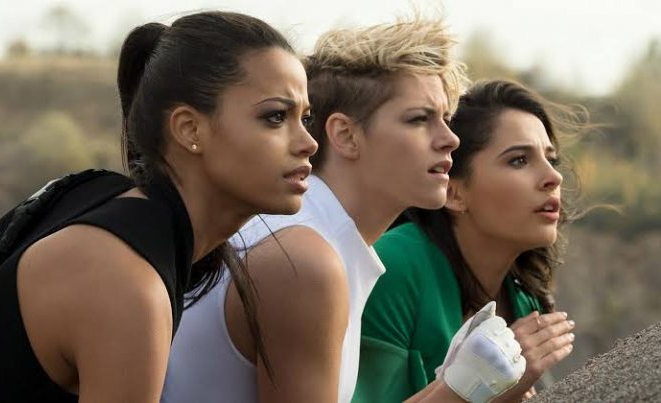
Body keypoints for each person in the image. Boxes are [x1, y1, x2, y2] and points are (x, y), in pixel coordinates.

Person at [163, 17, 525, 403]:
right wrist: (458, 392)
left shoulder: (307, 234)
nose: (450, 139)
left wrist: (447, 385)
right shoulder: (305, 260)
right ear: (345, 135)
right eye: (419, 119)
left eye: (446, 120)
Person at [0, 11, 317, 402]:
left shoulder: (115, 214)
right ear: (189, 129)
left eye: (306, 118)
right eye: (275, 117)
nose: (308, 143)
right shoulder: (126, 282)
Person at [355, 80, 580, 402]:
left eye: (551, 160)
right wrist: (485, 383)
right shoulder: (393, 266)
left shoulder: (523, 301)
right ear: (453, 193)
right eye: (519, 160)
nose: (553, 177)